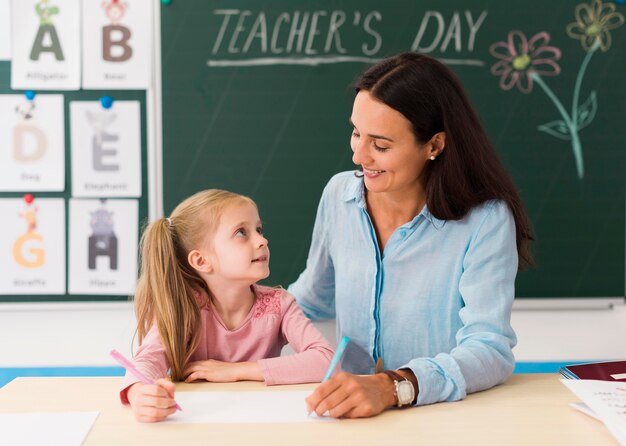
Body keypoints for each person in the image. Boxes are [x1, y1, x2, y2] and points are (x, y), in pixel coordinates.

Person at [289, 52, 533, 418]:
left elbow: (490, 348)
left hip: (439, 419)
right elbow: (308, 302)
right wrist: (213, 337)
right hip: (348, 420)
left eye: (381, 145)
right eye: (356, 133)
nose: (358, 156)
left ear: (434, 145)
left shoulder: (485, 219)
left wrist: (393, 386)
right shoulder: (339, 196)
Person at [121, 189, 334, 422]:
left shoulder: (280, 304)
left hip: (262, 419)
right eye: (242, 232)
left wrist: (234, 371)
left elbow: (326, 360)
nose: (262, 240)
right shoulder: (184, 309)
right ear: (201, 260)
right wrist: (138, 392)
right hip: (200, 423)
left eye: (259, 229)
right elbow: (147, 361)